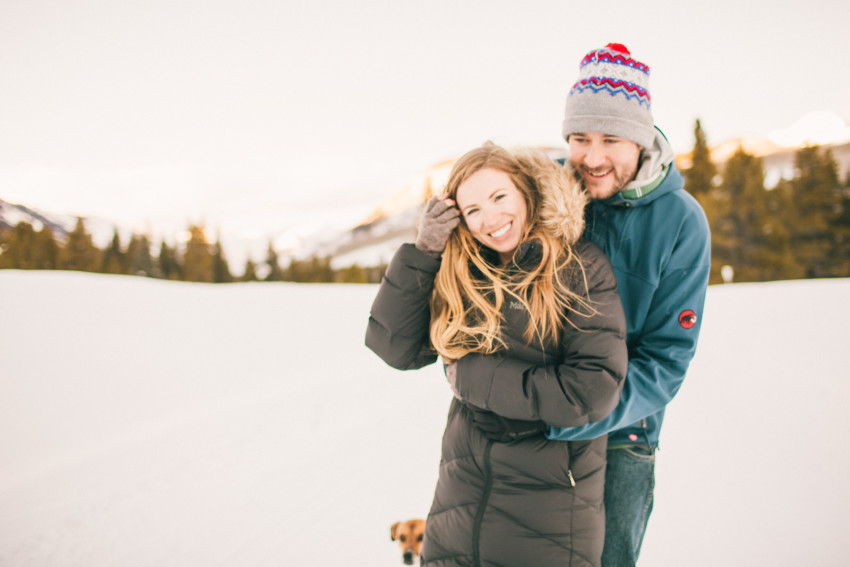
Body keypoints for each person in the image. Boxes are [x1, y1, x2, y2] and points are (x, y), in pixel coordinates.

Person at [366, 142, 628, 567]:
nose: (490, 220)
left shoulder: (578, 266)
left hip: (548, 516)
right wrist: (425, 253)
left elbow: (593, 391)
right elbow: (394, 347)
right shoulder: (465, 271)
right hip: (459, 511)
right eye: (472, 211)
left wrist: (477, 380)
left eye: (499, 198)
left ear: (526, 193)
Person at [546, 43, 712, 566]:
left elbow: (666, 359)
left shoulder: (681, 222)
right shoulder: (544, 195)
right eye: (579, 138)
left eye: (611, 139)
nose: (592, 157)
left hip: (624, 433)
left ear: (640, 139)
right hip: (537, 418)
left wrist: (580, 415)